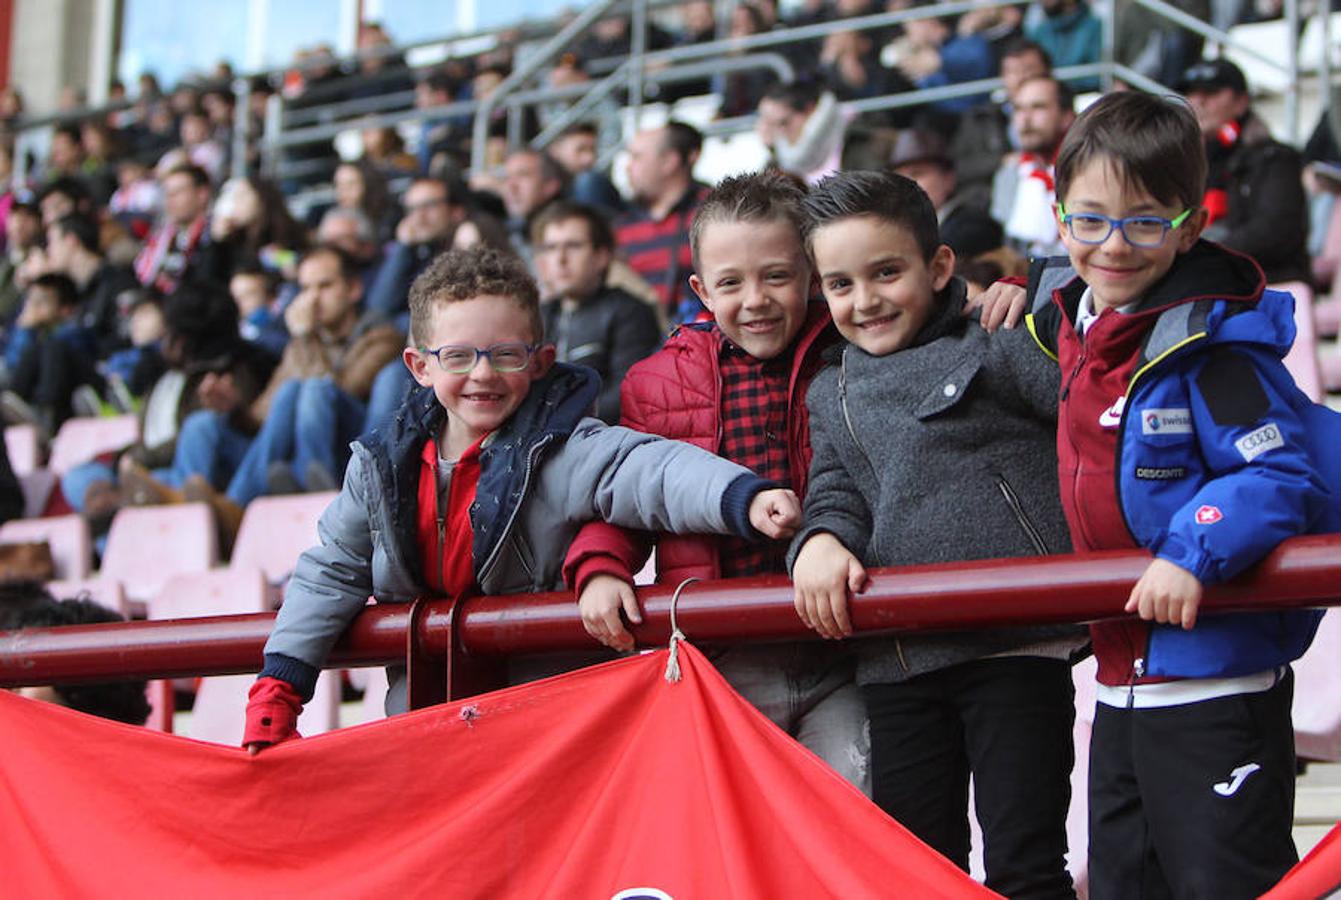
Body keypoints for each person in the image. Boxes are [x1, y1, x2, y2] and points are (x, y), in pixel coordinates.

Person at [242, 245, 802, 750]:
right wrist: (280, 684)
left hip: (551, 730)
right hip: (430, 728)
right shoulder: (379, 466)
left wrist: (742, 498)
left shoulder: (563, 449)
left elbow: (650, 469)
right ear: (419, 366)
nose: (482, 374)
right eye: (458, 357)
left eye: (505, 354)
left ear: (539, 361)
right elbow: (332, 571)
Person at [1023, 90, 1340, 898]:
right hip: (1117, 683)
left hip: (1217, 683)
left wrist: (1191, 551)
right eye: (1089, 220)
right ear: (1059, 219)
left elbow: (1275, 475)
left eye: (1143, 221)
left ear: (1189, 226)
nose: (1112, 245)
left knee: (1224, 885)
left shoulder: (1216, 349)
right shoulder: (1064, 331)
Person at [788, 170, 1081, 897]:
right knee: (919, 872)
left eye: (886, 272)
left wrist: (1043, 293)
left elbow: (1089, 391)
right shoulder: (832, 389)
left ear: (939, 266)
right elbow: (835, 488)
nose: (865, 300)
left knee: (1025, 863)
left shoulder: (1000, 338)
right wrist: (818, 540)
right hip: (899, 661)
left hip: (1015, 645)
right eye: (840, 284)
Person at [563, 171, 869, 793]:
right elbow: (629, 492)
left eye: (776, 276)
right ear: (701, 289)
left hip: (844, 648)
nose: (753, 299)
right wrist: (599, 566)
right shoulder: (655, 383)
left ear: (811, 273)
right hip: (722, 659)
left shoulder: (854, 349)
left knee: (851, 818)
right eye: (730, 283)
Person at [1180, 59, 1310, 285]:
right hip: (1204, 279)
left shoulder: (1276, 158)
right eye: (1191, 93)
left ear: (1242, 102)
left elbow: (1275, 232)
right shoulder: (1183, 161)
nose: (1198, 101)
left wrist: (1203, 254)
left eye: (1211, 92)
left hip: (1266, 284)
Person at [533, 202, 661, 424]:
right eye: (551, 248)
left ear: (601, 256)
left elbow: (629, 394)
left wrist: (559, 422)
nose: (560, 259)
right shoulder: (539, 315)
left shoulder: (630, 312)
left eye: (572, 246)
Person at [615, 122, 710, 323]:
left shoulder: (714, 210)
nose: (628, 166)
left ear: (669, 162)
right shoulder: (621, 225)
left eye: (637, 157)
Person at [991, 75, 1075, 258]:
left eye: (1038, 107)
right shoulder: (1009, 174)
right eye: (1018, 109)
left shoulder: (1088, 170)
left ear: (1066, 116)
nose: (1025, 119)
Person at [888, 128, 1004, 261]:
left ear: (948, 179)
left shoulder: (974, 226)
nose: (907, 184)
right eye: (899, 178)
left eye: (917, 173)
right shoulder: (898, 230)